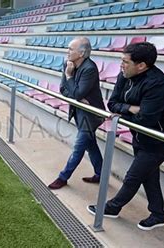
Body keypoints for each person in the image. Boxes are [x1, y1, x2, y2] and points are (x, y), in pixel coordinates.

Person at [87, 42, 164, 231]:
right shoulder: (125, 74)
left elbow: (146, 119)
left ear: (141, 65)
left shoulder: (157, 84)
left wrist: (126, 112)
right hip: (140, 136)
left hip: (159, 140)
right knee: (149, 177)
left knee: (133, 177)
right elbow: (112, 103)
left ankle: (112, 207)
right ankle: (158, 214)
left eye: (125, 62)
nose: (121, 65)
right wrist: (131, 108)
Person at [48, 37, 105, 190]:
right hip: (79, 110)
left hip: (91, 115)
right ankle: (101, 173)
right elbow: (63, 89)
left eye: (70, 49)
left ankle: (63, 177)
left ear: (81, 53)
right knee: (91, 145)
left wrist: (69, 76)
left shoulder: (89, 68)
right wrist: (77, 97)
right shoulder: (67, 64)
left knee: (79, 147)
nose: (67, 52)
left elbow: (77, 92)